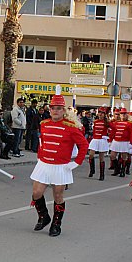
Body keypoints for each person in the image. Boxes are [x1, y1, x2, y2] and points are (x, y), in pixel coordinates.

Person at [30, 90, 89, 237]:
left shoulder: (71, 127)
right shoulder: (44, 124)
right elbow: (41, 142)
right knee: (36, 193)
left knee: (58, 196)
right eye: (53, 108)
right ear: (49, 110)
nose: (55, 111)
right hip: (44, 164)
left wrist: (76, 163)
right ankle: (44, 216)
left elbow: (84, 145)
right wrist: (39, 156)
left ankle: (56, 224)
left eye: (58, 108)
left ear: (63, 110)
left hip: (60, 166)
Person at [87, 106, 111, 181]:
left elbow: (113, 129)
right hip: (95, 139)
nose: (100, 114)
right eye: (99, 112)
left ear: (105, 114)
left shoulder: (107, 123)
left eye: (102, 113)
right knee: (91, 154)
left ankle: (102, 174)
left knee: (101, 158)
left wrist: (108, 137)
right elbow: (93, 131)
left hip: (102, 140)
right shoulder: (95, 121)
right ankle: (92, 170)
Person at [109, 108, 132, 177]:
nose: (123, 115)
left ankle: (122, 171)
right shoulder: (116, 122)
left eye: (124, 114)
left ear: (127, 115)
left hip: (125, 142)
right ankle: (117, 169)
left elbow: (131, 134)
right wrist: (110, 140)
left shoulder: (129, 124)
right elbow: (113, 132)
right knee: (112, 155)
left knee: (124, 157)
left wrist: (131, 143)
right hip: (116, 141)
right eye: (121, 114)